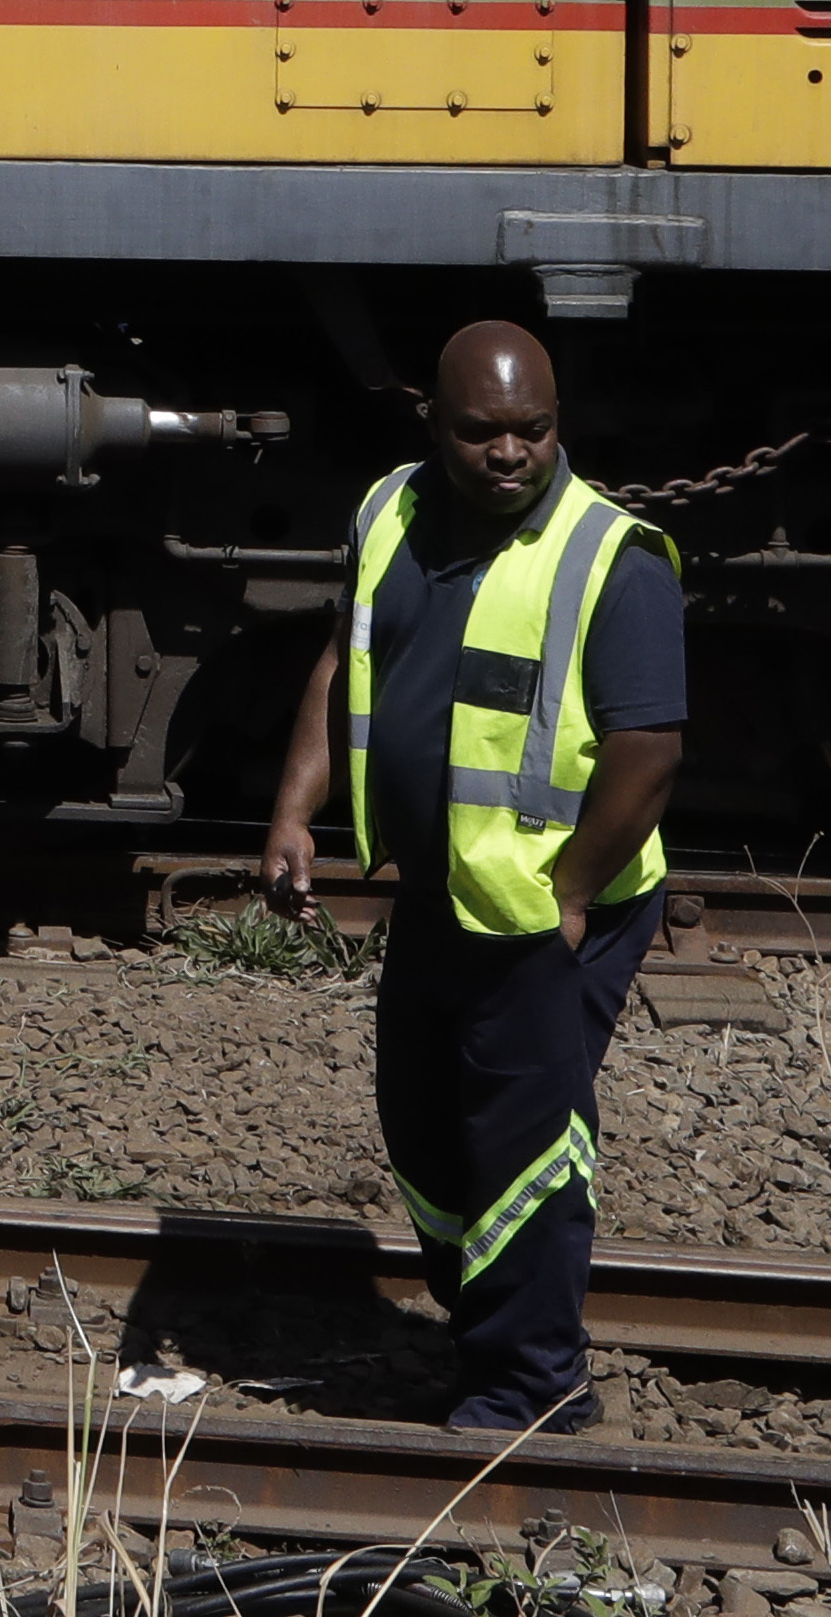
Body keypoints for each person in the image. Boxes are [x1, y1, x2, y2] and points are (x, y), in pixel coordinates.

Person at [262, 321, 686, 1439]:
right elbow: (346, 657)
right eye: (482, 431)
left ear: (560, 425)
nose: (510, 452)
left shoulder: (613, 560)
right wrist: (295, 810)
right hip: (445, 894)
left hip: (550, 909)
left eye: (533, 430)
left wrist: (576, 895)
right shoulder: (389, 514)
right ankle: (483, 1315)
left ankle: (531, 1387)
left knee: (527, 1147)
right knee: (422, 1126)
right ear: (434, 426)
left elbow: (649, 755)